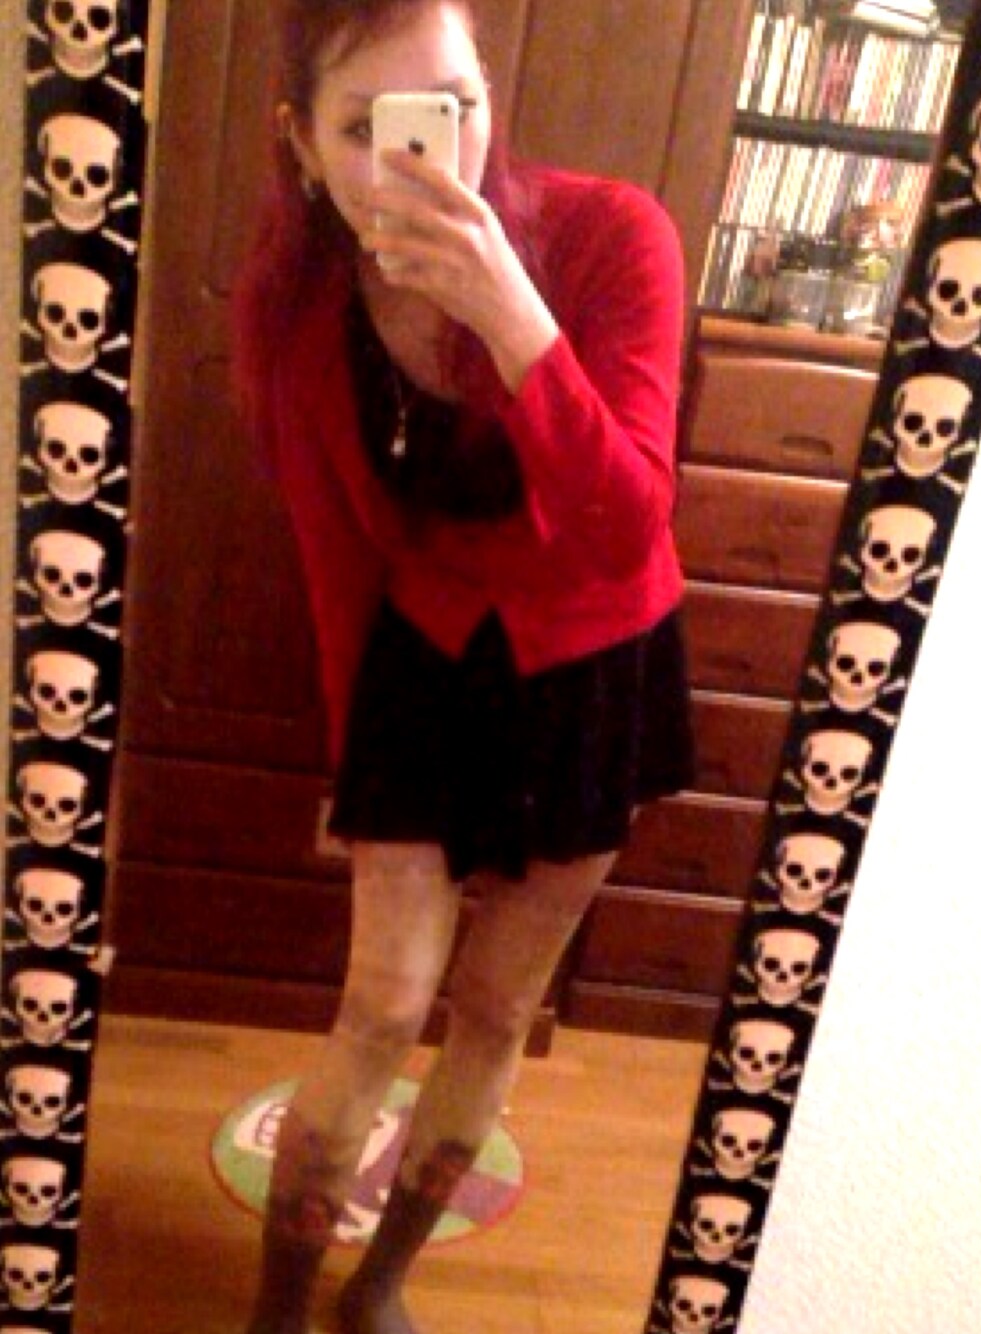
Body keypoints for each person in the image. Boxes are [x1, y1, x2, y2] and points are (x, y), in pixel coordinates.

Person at [231, 1, 695, 1331]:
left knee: (496, 1006)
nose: (422, 155)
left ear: (487, 90)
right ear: (301, 146)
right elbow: (339, 566)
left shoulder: (616, 239)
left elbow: (625, 523)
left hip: (596, 659)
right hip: (427, 660)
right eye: (365, 128)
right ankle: (277, 1312)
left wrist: (510, 315)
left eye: (451, 105)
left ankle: (378, 1288)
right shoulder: (300, 316)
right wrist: (350, 763)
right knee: (381, 1005)